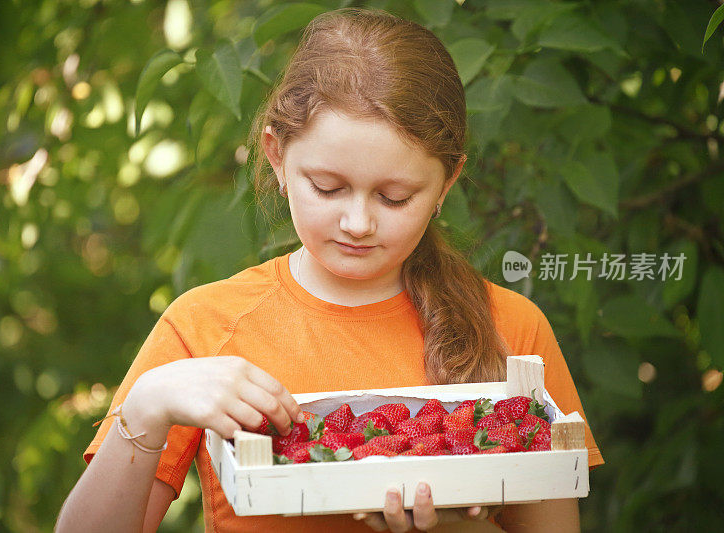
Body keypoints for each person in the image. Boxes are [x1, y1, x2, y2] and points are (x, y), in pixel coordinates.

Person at [56, 7, 603, 533]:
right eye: (328, 187)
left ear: (447, 183)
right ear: (276, 156)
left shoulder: (514, 330)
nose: (358, 222)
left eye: (394, 197)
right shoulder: (205, 326)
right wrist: (148, 406)